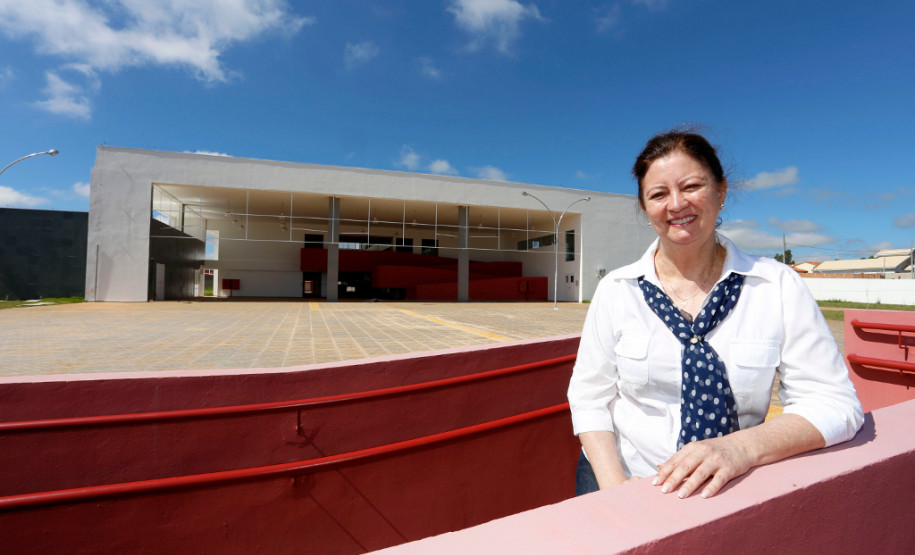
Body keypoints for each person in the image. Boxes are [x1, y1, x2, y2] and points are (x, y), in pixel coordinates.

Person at [568, 129, 863, 499]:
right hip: (624, 478)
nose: (676, 204)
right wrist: (615, 489)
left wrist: (738, 448)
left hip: (729, 488)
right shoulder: (617, 290)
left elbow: (834, 404)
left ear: (721, 191)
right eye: (658, 194)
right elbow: (589, 396)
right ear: (645, 209)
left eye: (691, 186)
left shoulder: (777, 286)